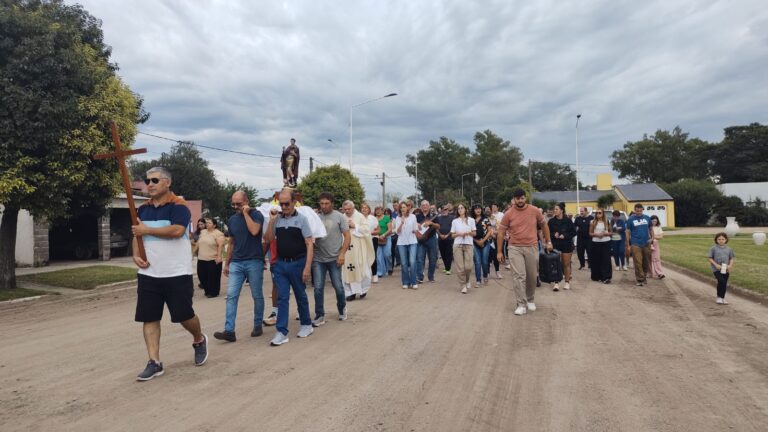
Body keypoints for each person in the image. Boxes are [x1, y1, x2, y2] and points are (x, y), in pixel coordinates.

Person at [131, 167, 207, 381]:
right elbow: (136, 235)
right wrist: (136, 255)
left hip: (176, 273)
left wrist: (147, 230)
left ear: (167, 182)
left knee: (184, 315)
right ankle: (154, 362)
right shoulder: (143, 210)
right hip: (149, 273)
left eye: (155, 180)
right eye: (147, 181)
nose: (150, 184)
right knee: (149, 317)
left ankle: (199, 339)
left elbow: (177, 231)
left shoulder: (179, 207)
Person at [212, 191, 266, 342]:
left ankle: (257, 325)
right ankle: (229, 331)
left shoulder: (257, 215)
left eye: (239, 204)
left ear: (246, 202)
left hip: (254, 261)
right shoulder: (232, 220)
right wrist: (227, 263)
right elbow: (231, 243)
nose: (236, 207)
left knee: (257, 295)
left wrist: (246, 213)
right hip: (236, 262)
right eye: (233, 204)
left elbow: (254, 231)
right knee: (231, 296)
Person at [264, 188, 315, 346]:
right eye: (281, 204)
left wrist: (307, 267)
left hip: (298, 263)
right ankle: (281, 332)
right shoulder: (277, 219)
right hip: (280, 264)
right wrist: (272, 221)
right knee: (282, 297)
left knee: (300, 295)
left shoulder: (302, 219)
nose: (284, 207)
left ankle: (306, 324)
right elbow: (268, 238)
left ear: (294, 202)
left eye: (287, 204)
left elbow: (309, 244)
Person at [496, 189, 552, 316]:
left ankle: (530, 299)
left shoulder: (535, 211)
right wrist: (499, 251)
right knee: (519, 276)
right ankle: (521, 304)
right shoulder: (508, 214)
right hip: (514, 248)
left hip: (531, 246)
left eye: (522, 198)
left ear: (525, 198)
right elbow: (501, 233)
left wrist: (548, 241)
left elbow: (544, 225)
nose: (520, 200)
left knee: (532, 276)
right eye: (517, 198)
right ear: (514, 199)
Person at [311, 192, 350, 327]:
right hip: (318, 258)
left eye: (326, 203)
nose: (324, 206)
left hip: (335, 258)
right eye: (321, 203)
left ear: (332, 203)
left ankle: (342, 307)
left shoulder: (339, 217)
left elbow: (347, 236)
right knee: (318, 288)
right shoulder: (316, 217)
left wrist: (342, 254)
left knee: (338, 287)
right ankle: (320, 315)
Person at [341, 200, 376, 300]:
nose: (347, 211)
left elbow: (367, 230)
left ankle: (363, 290)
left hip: (358, 248)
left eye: (349, 209)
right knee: (347, 270)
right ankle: (350, 293)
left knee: (361, 268)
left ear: (353, 208)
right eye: (345, 209)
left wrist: (355, 226)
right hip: (345, 248)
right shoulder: (342, 217)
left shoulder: (360, 216)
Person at [547, 202, 576, 291]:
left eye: (556, 209)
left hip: (566, 244)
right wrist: (553, 234)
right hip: (555, 244)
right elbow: (547, 233)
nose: (554, 211)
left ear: (561, 210)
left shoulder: (568, 221)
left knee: (566, 264)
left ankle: (567, 282)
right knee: (556, 264)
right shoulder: (551, 221)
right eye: (554, 209)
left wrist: (565, 235)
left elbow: (574, 232)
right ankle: (556, 283)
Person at [196, 218, 225, 297]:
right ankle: (207, 290)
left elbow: (220, 246)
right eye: (207, 223)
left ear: (214, 225)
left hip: (212, 259)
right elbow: (199, 243)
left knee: (213, 278)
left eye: (209, 223)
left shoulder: (218, 233)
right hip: (201, 258)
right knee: (201, 276)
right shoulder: (203, 232)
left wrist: (219, 256)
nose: (207, 224)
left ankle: (213, 292)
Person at [625, 203, 653, 286]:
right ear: (635, 210)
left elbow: (651, 228)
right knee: (638, 262)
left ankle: (644, 277)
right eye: (637, 211)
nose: (639, 213)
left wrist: (652, 238)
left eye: (640, 211)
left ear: (642, 210)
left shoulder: (647, 218)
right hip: (635, 243)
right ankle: (640, 279)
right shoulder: (630, 219)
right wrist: (628, 244)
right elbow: (628, 231)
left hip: (646, 243)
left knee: (646, 262)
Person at [450, 204, 476, 294]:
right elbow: (452, 235)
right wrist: (459, 234)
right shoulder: (455, 221)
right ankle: (463, 285)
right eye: (459, 208)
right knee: (460, 267)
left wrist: (469, 233)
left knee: (468, 267)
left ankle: (467, 280)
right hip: (457, 244)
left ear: (465, 209)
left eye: (462, 208)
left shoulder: (471, 220)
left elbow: (474, 233)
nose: (460, 209)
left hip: (468, 244)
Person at [394, 201, 419, 289]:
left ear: (407, 208)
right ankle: (405, 282)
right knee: (404, 263)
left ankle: (414, 282)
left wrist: (415, 230)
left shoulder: (413, 216)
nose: (402, 209)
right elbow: (397, 232)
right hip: (401, 243)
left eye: (404, 207)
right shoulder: (397, 218)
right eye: (401, 208)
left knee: (412, 262)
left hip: (412, 242)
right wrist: (401, 222)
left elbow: (416, 228)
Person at [415, 200, 439, 284]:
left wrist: (431, 223)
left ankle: (431, 277)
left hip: (432, 239)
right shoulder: (417, 216)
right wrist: (417, 224)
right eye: (423, 205)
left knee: (432, 259)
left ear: (429, 206)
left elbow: (438, 226)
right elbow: (413, 226)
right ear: (421, 207)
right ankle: (420, 277)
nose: (425, 206)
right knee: (420, 259)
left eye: (426, 205)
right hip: (421, 240)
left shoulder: (434, 215)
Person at [708, 232, 735, 305]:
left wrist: (730, 265)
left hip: (725, 269)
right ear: (716, 240)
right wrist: (716, 265)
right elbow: (710, 258)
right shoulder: (713, 248)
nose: (721, 240)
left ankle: (722, 298)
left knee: (724, 283)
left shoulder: (729, 249)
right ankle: (719, 297)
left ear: (726, 240)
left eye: (723, 239)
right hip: (716, 269)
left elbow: (731, 258)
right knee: (721, 281)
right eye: (719, 239)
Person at [589, 208, 613, 284]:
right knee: (597, 260)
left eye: (600, 213)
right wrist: (597, 235)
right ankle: (597, 276)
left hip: (606, 242)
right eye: (597, 213)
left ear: (603, 214)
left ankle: (606, 277)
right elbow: (590, 233)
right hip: (596, 242)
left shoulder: (607, 221)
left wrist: (605, 234)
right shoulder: (592, 222)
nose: (598, 214)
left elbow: (611, 232)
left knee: (606, 260)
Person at [472, 204, 492, 287]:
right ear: (473, 210)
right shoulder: (471, 220)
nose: (478, 210)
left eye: (479, 208)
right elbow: (469, 233)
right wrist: (476, 241)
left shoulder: (486, 219)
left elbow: (490, 231)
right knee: (477, 262)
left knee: (484, 261)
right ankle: (478, 280)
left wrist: (483, 241)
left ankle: (485, 276)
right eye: (476, 209)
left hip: (485, 243)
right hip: (475, 243)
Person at [361, 203, 381, 283]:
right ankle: (365, 275)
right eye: (362, 208)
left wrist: (370, 233)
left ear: (369, 209)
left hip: (373, 239)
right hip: (362, 240)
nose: (364, 209)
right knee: (363, 257)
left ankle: (375, 274)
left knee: (373, 256)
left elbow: (378, 230)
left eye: (366, 208)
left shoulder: (373, 218)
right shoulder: (359, 218)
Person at [436, 203, 455, 275]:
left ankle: (448, 268)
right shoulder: (438, 218)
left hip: (449, 238)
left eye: (446, 209)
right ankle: (446, 267)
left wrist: (447, 235)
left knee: (449, 253)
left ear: (448, 210)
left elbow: (453, 228)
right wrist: (440, 235)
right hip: (440, 238)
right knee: (443, 254)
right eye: (443, 209)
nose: (444, 210)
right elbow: (436, 228)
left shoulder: (452, 218)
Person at [374, 206, 392, 280]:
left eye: (379, 210)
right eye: (376, 210)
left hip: (387, 237)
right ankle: (380, 272)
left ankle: (389, 267)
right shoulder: (374, 219)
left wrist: (383, 235)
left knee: (387, 254)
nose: (378, 211)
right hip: (377, 238)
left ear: (382, 211)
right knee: (379, 256)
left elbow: (390, 229)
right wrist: (378, 236)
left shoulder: (386, 218)